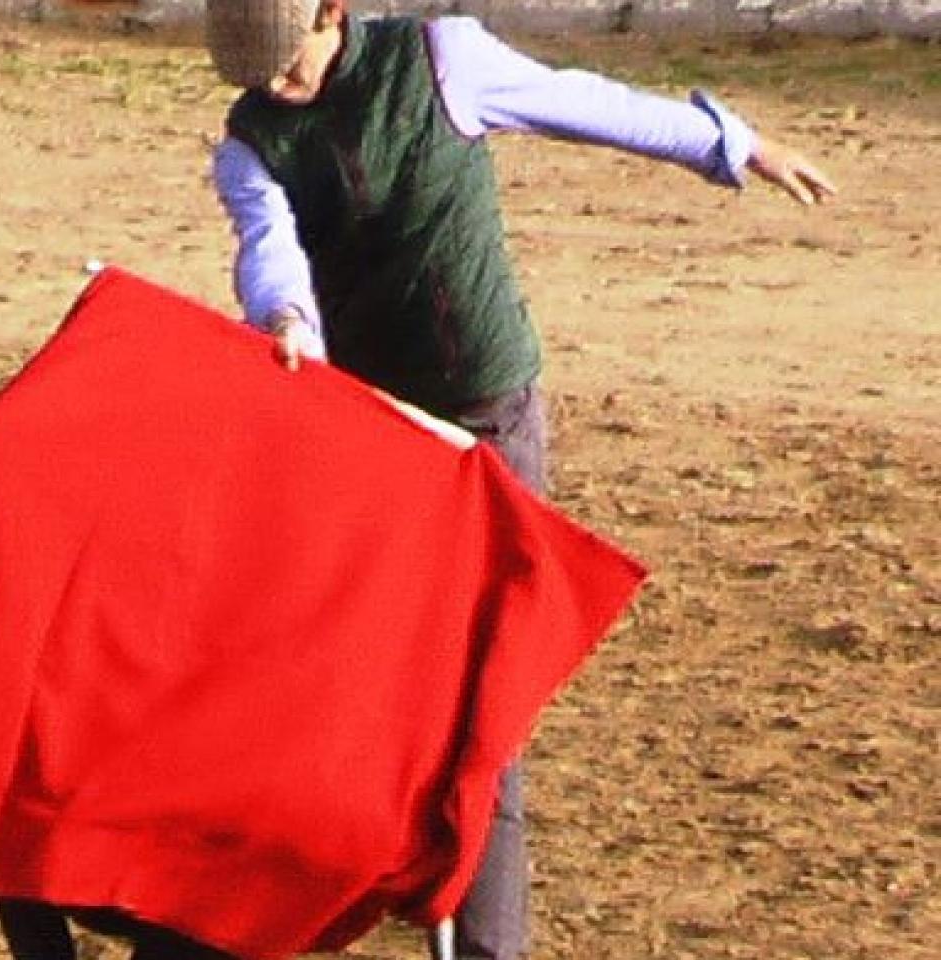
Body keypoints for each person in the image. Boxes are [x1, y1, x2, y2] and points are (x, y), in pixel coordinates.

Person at [202, 2, 835, 959]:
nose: (273, 86)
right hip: (376, 435)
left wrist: (731, 142)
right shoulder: (249, 143)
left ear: (334, 12)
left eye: (286, 64)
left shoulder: (443, 60)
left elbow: (588, 104)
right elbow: (270, 246)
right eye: (256, 74)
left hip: (489, 419)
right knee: (373, 687)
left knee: (482, 711)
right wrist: (286, 319)